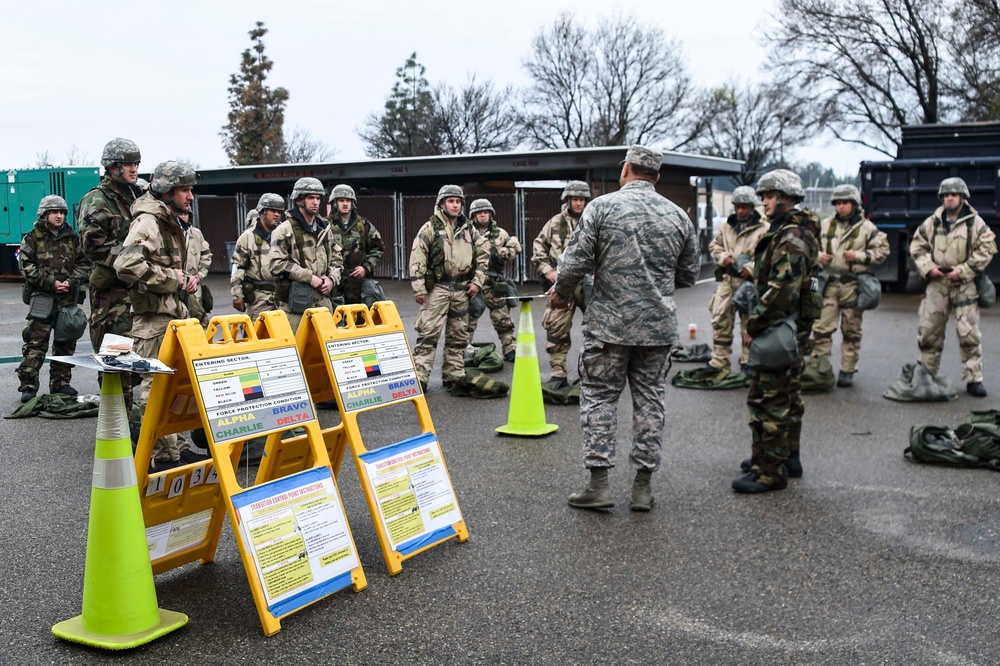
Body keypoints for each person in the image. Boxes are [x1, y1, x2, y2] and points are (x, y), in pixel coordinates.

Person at [556, 146, 699, 512]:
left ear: (626, 171)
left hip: (609, 327)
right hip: (657, 327)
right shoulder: (678, 216)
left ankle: (599, 484)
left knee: (600, 398)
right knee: (650, 401)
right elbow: (688, 275)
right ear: (657, 177)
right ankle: (642, 487)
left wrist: (560, 294)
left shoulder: (601, 208)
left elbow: (574, 262)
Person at [115, 161, 208, 470]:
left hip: (176, 315)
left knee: (176, 386)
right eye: (185, 190)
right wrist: (173, 279)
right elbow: (126, 265)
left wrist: (188, 278)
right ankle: (160, 454)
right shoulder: (148, 223)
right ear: (168, 192)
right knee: (154, 386)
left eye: (191, 189)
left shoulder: (172, 222)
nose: (190, 196)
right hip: (153, 320)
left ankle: (177, 448)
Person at [734, 169, 822, 494]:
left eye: (769, 196)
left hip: (780, 325)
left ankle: (769, 471)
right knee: (789, 394)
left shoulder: (791, 236)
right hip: (793, 326)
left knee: (768, 397)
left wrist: (755, 323)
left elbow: (783, 289)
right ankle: (786, 456)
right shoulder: (794, 231)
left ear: (785, 197)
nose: (764, 203)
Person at [909, 177, 997, 397]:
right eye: (946, 195)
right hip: (937, 283)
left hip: (965, 284)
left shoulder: (974, 222)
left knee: (968, 333)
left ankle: (973, 377)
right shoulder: (932, 222)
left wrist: (965, 270)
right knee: (929, 330)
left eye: (954, 194)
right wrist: (929, 268)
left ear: (962, 197)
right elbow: (917, 247)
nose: (949, 198)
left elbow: (987, 248)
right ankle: (927, 374)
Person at [408, 185, 489, 393]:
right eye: (451, 201)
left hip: (462, 289)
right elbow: (417, 257)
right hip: (438, 288)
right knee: (428, 333)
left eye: (458, 201)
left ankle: (454, 375)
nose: (455, 205)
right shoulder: (430, 228)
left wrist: (477, 281)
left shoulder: (469, 229)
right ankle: (420, 376)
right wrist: (419, 288)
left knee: (458, 335)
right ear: (442, 204)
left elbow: (483, 255)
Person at [810, 184, 890, 387]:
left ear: (854, 204)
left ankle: (848, 369)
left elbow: (883, 251)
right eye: (837, 203)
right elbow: (809, 247)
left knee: (851, 329)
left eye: (844, 203)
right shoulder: (825, 225)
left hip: (852, 285)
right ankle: (820, 368)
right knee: (821, 328)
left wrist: (860, 256)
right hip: (828, 283)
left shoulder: (867, 228)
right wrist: (818, 256)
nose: (840, 207)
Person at [16, 196, 90, 403]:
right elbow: (26, 266)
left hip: (67, 299)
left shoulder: (72, 238)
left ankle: (60, 384)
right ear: (44, 214)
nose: (59, 216)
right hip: (43, 298)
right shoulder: (32, 238)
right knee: (35, 343)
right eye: (54, 212)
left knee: (65, 342)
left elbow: (84, 263)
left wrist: (72, 281)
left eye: (62, 212)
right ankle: (28, 386)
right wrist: (51, 282)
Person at [691, 185, 769, 379]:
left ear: (752, 207)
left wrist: (750, 267)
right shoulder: (726, 226)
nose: (741, 211)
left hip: (750, 282)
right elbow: (714, 244)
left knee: (749, 322)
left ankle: (749, 359)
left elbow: (768, 255)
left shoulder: (764, 229)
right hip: (728, 279)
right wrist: (722, 257)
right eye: (738, 207)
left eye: (744, 207)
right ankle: (719, 360)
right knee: (720, 317)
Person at [78, 138, 142, 354]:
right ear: (113, 167)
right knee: (115, 352)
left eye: (136, 164)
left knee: (140, 351)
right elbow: (93, 246)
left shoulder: (138, 195)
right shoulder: (97, 200)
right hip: (113, 293)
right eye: (129, 164)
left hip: (139, 286)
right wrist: (135, 256)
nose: (134, 169)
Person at [532, 180, 590, 385]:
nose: (579, 203)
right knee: (556, 326)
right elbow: (538, 249)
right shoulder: (555, 223)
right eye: (575, 199)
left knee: (596, 327)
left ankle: (593, 371)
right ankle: (558, 370)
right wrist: (548, 270)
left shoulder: (594, 221)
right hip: (562, 283)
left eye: (582, 199)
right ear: (567, 200)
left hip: (588, 282)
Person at [268, 177, 343, 333]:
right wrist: (309, 277)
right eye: (310, 197)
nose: (315, 202)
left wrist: (332, 279)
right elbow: (276, 264)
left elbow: (337, 258)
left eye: (318, 198)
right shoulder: (284, 231)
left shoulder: (325, 229)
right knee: (298, 353)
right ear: (299, 200)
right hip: (296, 308)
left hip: (323, 304)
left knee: (325, 352)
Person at [467, 198, 522, 362]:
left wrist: (503, 252)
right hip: (473, 283)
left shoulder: (500, 233)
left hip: (494, 282)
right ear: (473, 215)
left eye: (486, 212)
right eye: (479, 212)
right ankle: (463, 349)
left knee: (503, 319)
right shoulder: (466, 233)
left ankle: (509, 349)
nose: (483, 215)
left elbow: (515, 248)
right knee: (468, 319)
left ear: (490, 214)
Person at [327, 183, 386, 308]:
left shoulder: (363, 225)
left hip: (358, 283)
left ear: (352, 203)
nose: (345, 203)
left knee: (360, 318)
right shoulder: (326, 225)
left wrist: (366, 267)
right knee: (336, 319)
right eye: (341, 200)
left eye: (348, 200)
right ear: (335, 203)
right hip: (334, 283)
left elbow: (378, 248)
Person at [231, 194, 284, 321]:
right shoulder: (247, 237)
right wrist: (237, 295)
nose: (277, 214)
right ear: (262, 212)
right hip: (259, 299)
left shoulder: (285, 234)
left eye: (279, 211)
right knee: (258, 336)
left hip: (283, 298)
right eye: (273, 210)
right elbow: (238, 267)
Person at [179, 210, 212, 327]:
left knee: (199, 320)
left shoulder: (196, 234)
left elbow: (206, 255)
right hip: (177, 284)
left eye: (185, 214)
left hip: (194, 286)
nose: (183, 216)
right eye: (180, 214)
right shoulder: (170, 233)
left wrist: (199, 276)